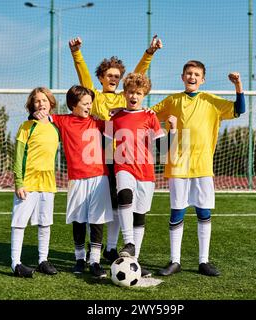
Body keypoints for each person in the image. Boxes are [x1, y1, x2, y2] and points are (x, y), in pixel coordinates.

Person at [68, 35, 163, 263]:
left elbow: (137, 77)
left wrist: (149, 53)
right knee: (105, 208)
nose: (113, 78)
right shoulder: (95, 96)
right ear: (101, 77)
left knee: (122, 203)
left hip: (121, 158)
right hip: (98, 158)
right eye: (109, 75)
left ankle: (112, 248)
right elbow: (84, 77)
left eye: (116, 76)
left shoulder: (126, 96)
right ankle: (97, 252)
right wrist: (77, 53)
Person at [152, 60, 246, 277]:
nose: (192, 77)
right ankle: (175, 261)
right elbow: (149, 116)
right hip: (177, 165)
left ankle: (203, 261)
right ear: (182, 76)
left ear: (202, 80)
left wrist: (238, 85)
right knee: (177, 211)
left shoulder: (211, 101)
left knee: (203, 212)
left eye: (196, 74)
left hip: (203, 166)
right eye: (188, 73)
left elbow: (239, 109)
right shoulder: (172, 101)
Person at [104, 72, 177, 278]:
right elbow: (108, 148)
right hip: (123, 167)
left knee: (139, 215)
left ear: (144, 94)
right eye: (130, 92)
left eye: (138, 93)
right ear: (124, 93)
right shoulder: (115, 117)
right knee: (124, 195)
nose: (134, 96)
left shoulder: (150, 116)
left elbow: (163, 150)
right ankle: (128, 242)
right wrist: (109, 173)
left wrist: (173, 130)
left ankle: (133, 260)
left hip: (146, 172)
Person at [51, 85, 113, 279]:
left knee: (97, 220)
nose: (89, 106)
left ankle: (94, 260)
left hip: (99, 176)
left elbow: (115, 125)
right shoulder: (63, 121)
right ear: (73, 105)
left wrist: (114, 113)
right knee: (78, 219)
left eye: (90, 103)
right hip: (77, 178)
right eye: (85, 103)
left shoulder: (98, 122)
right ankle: (79, 258)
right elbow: (45, 117)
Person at [10, 87, 60, 278]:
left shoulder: (55, 127)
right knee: (19, 223)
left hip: (48, 182)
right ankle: (16, 263)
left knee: (45, 223)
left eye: (44, 100)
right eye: (37, 101)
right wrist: (18, 182)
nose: (41, 104)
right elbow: (18, 156)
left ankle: (42, 260)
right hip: (28, 182)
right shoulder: (26, 127)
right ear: (32, 105)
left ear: (51, 103)